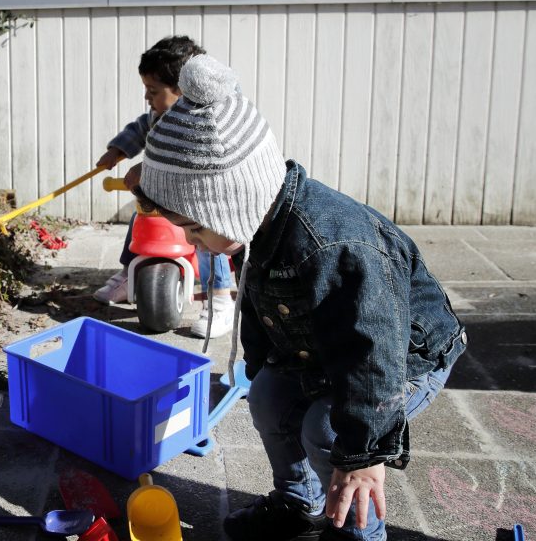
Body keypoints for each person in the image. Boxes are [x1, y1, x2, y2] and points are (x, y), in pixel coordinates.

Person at [127, 55, 468, 541]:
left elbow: (373, 354)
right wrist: (263, 359)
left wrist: (365, 454)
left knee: (328, 432)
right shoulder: (255, 224)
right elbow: (259, 300)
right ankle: (300, 505)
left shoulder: (336, 247)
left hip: (402, 356)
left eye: (194, 228)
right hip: (322, 346)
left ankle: (358, 532)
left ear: (232, 200)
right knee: (266, 397)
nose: (191, 243)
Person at [93, 36, 236, 338]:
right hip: (166, 194)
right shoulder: (160, 114)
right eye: (146, 89)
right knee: (140, 217)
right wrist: (118, 150)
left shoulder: (205, 118)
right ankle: (130, 273)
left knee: (210, 241)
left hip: (204, 199)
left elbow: (191, 154)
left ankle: (220, 297)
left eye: (152, 90)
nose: (147, 96)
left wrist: (147, 167)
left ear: (183, 89)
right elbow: (140, 128)